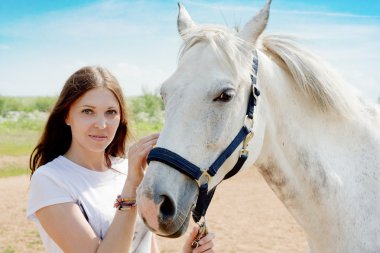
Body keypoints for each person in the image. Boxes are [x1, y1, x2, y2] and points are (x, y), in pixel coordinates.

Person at [27, 66, 215, 253]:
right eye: (87, 111)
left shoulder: (126, 169)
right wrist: (131, 186)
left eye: (111, 112)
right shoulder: (49, 180)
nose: (101, 125)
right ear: (67, 115)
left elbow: (144, 246)